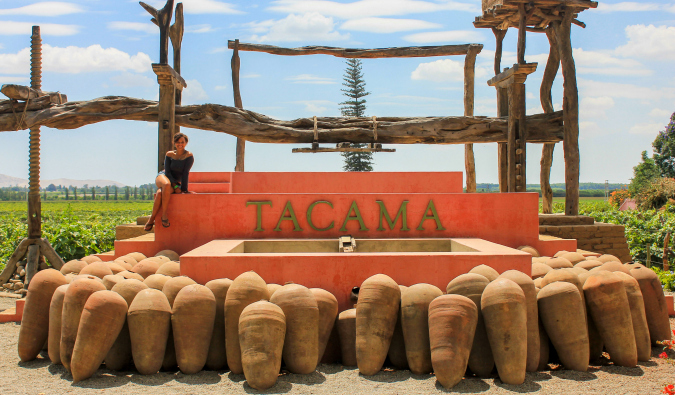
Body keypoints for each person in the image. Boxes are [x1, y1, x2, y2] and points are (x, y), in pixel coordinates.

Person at [145, 132, 194, 230]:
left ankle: (151, 219)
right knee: (166, 184)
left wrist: (184, 189)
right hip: (163, 177)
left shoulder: (189, 156)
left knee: (160, 194)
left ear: (186, 143)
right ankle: (164, 216)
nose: (180, 144)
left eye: (182, 142)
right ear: (174, 143)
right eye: (178, 142)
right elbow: (167, 172)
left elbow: (185, 173)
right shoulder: (169, 154)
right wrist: (175, 186)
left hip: (175, 181)